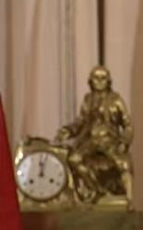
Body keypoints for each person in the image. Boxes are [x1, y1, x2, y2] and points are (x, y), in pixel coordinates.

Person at [55, 66, 133, 204]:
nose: (99, 81)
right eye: (96, 78)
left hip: (110, 141)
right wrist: (68, 131)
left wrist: (124, 142)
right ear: (91, 81)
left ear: (108, 80)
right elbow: (80, 122)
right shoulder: (88, 99)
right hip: (91, 141)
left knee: (124, 165)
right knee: (73, 159)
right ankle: (97, 191)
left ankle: (129, 200)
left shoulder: (116, 100)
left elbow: (128, 125)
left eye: (103, 78)